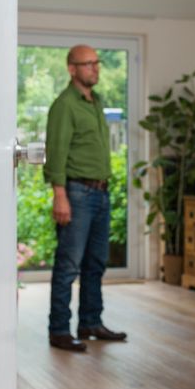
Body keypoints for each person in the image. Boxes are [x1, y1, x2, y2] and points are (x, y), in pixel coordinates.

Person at [43, 44, 127, 352]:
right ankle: (59, 330)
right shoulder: (65, 105)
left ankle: (91, 322)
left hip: (101, 193)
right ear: (72, 69)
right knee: (68, 266)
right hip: (77, 193)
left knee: (96, 263)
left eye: (97, 62)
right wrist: (60, 195)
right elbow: (57, 152)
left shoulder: (96, 101)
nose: (95, 68)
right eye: (88, 63)